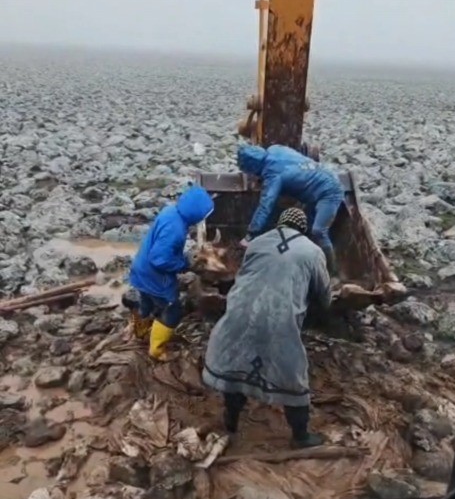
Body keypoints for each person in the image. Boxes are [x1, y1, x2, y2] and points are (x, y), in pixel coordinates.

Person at [202, 207, 332, 448]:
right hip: (279, 319)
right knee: (291, 374)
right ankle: (301, 437)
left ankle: (231, 422)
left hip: (241, 311)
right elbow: (324, 295)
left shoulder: (258, 242)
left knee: (237, 365)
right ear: (303, 229)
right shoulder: (313, 252)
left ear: (280, 224)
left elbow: (246, 273)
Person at [129, 184, 214, 361]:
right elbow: (160, 259)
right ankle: (157, 350)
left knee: (146, 303)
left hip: (141, 267)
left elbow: (158, 250)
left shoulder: (170, 212)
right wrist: (185, 262)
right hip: (155, 276)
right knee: (172, 309)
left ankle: (141, 332)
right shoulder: (176, 229)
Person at [237, 143, 344, 276]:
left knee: (318, 230)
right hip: (321, 178)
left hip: (330, 191)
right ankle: (310, 263)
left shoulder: (273, 175)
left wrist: (251, 235)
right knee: (306, 228)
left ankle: (332, 274)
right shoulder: (275, 149)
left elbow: (266, 205)